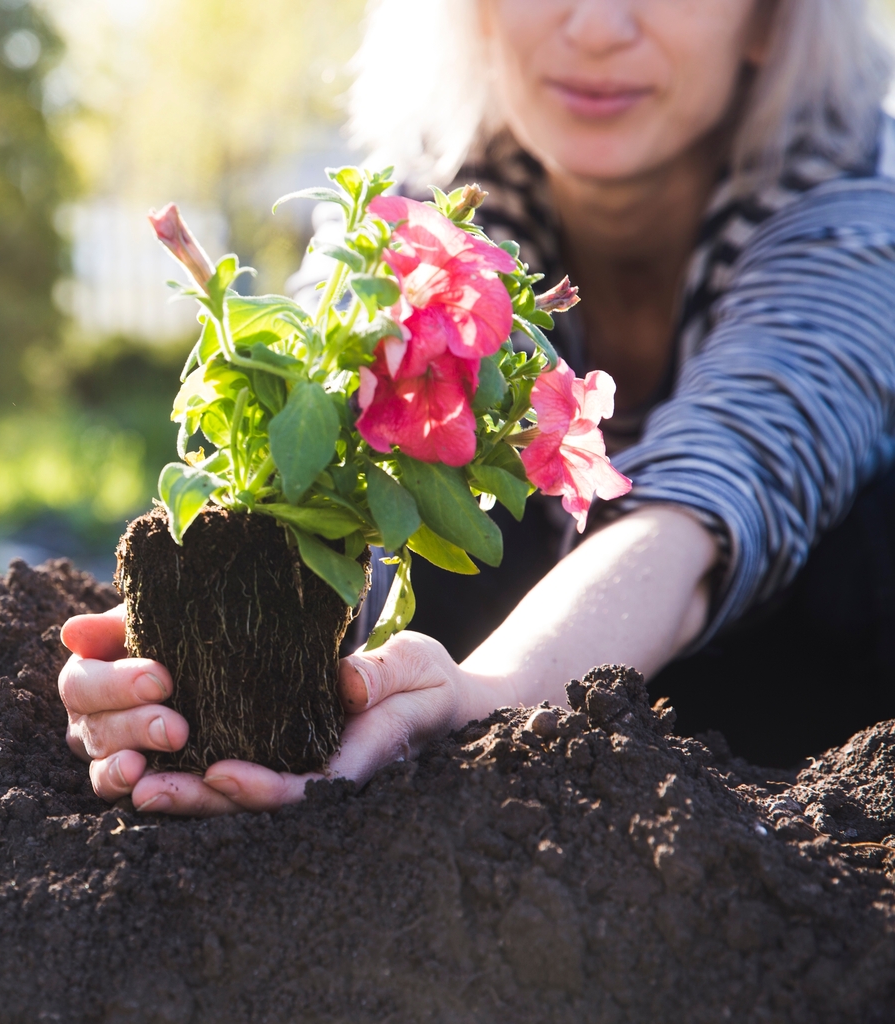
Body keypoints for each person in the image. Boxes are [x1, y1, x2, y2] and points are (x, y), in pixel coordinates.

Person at [60, 0, 895, 816]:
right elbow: (310, 443)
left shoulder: (861, 197)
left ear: (769, 19)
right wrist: (187, 647)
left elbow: (732, 470)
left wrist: (486, 700)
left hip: (802, 773)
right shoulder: (425, 203)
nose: (598, 26)